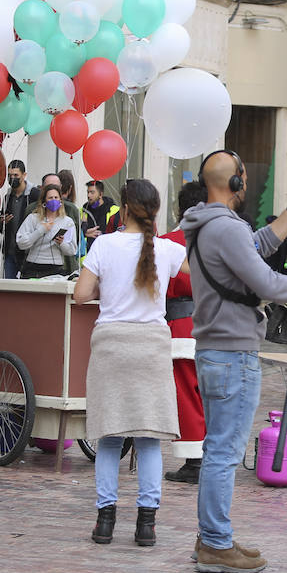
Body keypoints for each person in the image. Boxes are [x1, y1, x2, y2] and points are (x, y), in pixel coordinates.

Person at [179, 151, 287, 573]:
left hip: (215, 349)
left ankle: (212, 536)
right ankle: (215, 544)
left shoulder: (206, 223)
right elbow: (265, 281)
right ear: (237, 183)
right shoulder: (225, 227)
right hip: (232, 352)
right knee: (224, 452)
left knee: (217, 449)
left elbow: (254, 246)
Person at [73, 179, 188, 548]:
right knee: (149, 439)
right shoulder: (167, 250)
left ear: (123, 209)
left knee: (109, 437)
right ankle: (146, 525)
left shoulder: (104, 244)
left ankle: (105, 522)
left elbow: (79, 295)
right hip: (151, 347)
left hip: (111, 345)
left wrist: (104, 289)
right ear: (155, 212)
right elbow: (202, 281)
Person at [162, 181, 208, 484]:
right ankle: (209, 458)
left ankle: (195, 462)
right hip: (215, 325)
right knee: (208, 394)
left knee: (187, 396)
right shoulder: (217, 241)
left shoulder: (167, 242)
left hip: (180, 325)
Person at [15, 184, 76, 278]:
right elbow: (21, 243)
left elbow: (72, 250)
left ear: (60, 200)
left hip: (56, 268)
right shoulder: (33, 218)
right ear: (44, 201)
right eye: (50, 198)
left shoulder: (67, 222)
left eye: (56, 197)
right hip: (33, 266)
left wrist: (62, 243)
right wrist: (40, 231)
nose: (54, 200)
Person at [0, 160, 31, 279]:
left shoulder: (33, 195)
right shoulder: (8, 197)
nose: (12, 178)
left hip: (28, 254)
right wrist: (3, 222)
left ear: (24, 175)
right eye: (10, 175)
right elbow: (1, 227)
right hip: (10, 253)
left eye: (16, 175)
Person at [83, 180, 121, 250]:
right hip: (87, 256)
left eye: (92, 192)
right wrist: (83, 232)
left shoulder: (114, 210)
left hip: (106, 254)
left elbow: (118, 235)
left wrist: (102, 234)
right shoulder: (83, 211)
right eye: (88, 192)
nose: (89, 195)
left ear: (100, 194)